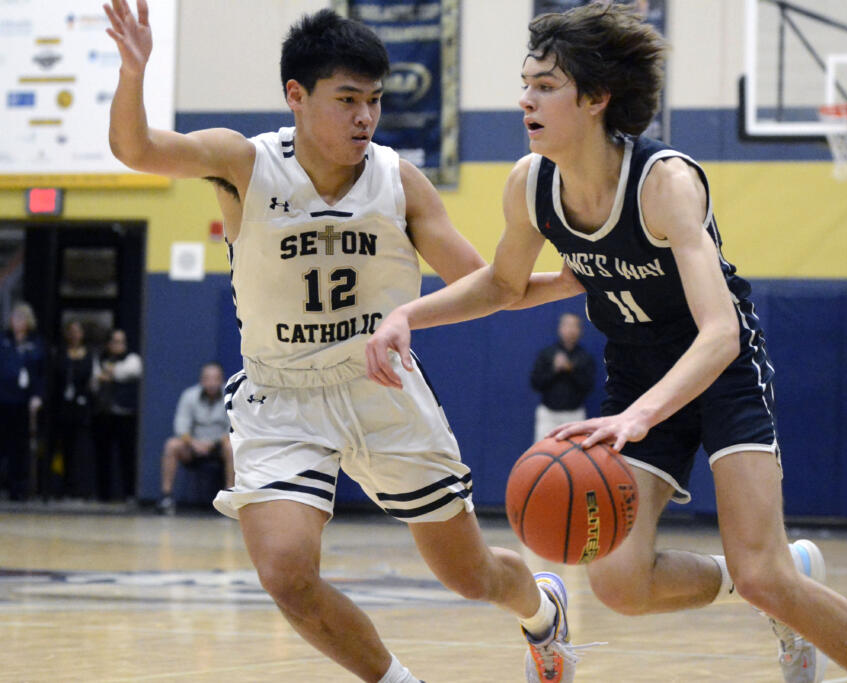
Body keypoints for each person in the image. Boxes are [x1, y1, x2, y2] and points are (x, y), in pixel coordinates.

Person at [365, 4, 847, 682]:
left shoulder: (666, 183)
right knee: (618, 583)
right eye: (525, 82)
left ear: (597, 98)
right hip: (636, 372)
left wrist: (642, 416)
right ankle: (775, 580)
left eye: (545, 85)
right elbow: (504, 285)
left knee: (765, 574)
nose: (525, 99)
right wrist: (407, 317)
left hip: (721, 370)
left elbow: (720, 332)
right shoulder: (531, 184)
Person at [104, 2, 587, 681]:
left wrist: (575, 282)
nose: (365, 117)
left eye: (375, 101)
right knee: (285, 573)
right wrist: (133, 73)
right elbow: (136, 149)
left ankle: (542, 610)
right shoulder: (243, 164)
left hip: (382, 390)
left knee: (471, 575)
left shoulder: (398, 181)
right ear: (296, 98)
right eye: (348, 99)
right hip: (281, 396)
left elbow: (489, 285)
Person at [157, 361, 233, 516]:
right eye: (207, 378)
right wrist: (193, 443)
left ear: (222, 380)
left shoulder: (231, 396)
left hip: (219, 445)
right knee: (172, 445)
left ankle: (229, 498)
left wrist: (214, 443)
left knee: (231, 446)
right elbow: (181, 426)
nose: (211, 383)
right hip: (193, 445)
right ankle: (167, 498)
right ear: (201, 380)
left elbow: (233, 427)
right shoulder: (189, 396)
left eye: (215, 378)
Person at [0, 302, 45, 501]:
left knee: (20, 446)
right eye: (15, 318)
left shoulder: (35, 343)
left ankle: (18, 488)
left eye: (21, 318)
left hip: (24, 402)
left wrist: (38, 395)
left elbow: (41, 373)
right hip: (3, 399)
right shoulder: (3, 340)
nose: (17, 322)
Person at [92, 328, 142, 501]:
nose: (118, 345)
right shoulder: (100, 358)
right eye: (114, 341)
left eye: (121, 342)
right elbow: (95, 378)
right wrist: (106, 375)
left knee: (126, 454)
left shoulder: (132, 358)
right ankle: (103, 495)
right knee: (102, 455)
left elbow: (131, 371)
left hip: (125, 413)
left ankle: (129, 493)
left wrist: (110, 374)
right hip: (103, 413)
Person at [530, 312, 595, 442]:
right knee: (543, 455)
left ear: (580, 330)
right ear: (560, 328)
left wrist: (570, 369)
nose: (570, 330)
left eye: (574, 326)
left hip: (574, 415)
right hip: (549, 414)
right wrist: (554, 370)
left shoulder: (585, 357)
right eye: (567, 325)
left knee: (574, 456)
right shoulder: (547, 354)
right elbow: (535, 383)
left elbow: (588, 386)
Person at [52, 319, 96, 499]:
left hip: (82, 406)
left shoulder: (89, 355)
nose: (75, 335)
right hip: (64, 407)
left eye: (78, 331)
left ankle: (81, 488)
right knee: (64, 448)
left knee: (81, 448)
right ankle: (62, 487)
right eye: (71, 331)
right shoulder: (60, 353)